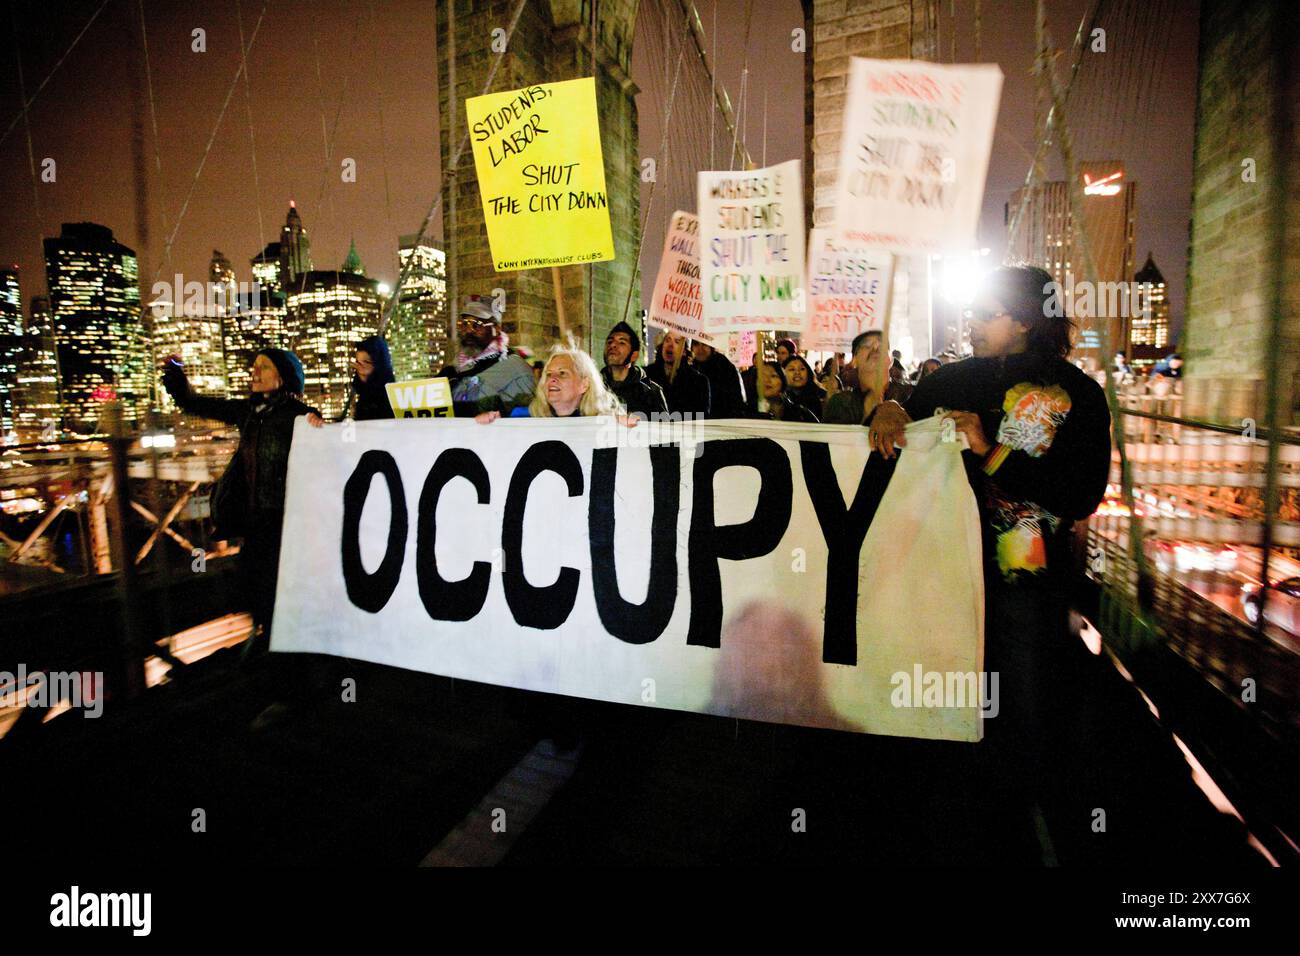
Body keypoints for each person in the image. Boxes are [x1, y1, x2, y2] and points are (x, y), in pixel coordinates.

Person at [868, 265, 1112, 834]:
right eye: (972, 311)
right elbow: (902, 421)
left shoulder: (1078, 395)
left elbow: (1081, 494)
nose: (971, 322)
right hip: (942, 573)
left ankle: (1017, 820)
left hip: (1025, 586)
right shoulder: (950, 380)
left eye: (987, 313)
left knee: (1020, 706)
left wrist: (990, 448)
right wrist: (889, 409)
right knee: (937, 694)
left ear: (1026, 320)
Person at [161, 348, 318, 652]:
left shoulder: (300, 417)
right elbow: (197, 404)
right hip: (255, 522)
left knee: (280, 596)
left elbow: (327, 453)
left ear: (282, 377)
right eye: (254, 367)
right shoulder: (247, 412)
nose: (254, 373)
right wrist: (178, 383)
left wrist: (320, 426)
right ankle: (276, 653)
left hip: (288, 525)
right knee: (257, 590)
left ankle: (291, 668)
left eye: (263, 367)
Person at [440, 295, 535, 416]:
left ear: (496, 328)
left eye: (477, 325)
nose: (468, 331)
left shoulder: (515, 368)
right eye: (464, 325)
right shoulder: (454, 368)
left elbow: (529, 415)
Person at [477, 346, 624, 421]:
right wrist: (489, 422)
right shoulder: (521, 414)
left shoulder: (606, 421)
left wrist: (628, 427)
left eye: (562, 373)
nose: (552, 379)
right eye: (548, 374)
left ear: (584, 385)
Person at [822, 330, 904, 424]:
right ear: (854, 360)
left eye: (882, 346)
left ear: (891, 360)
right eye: (867, 345)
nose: (875, 347)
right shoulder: (841, 404)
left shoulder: (908, 395)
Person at [599, 320, 668, 419]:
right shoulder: (594, 388)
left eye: (621, 343)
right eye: (610, 341)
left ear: (634, 355)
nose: (613, 345)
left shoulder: (650, 392)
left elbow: (663, 431)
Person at [647, 330, 711, 418]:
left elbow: (701, 417)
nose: (670, 344)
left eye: (677, 342)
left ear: (684, 352)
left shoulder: (698, 382)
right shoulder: (646, 375)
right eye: (667, 340)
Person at [690, 339, 747, 419]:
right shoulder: (691, 370)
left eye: (704, 344)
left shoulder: (724, 367)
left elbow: (735, 400)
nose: (700, 348)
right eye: (696, 344)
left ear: (711, 347)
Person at [748, 360, 819, 423]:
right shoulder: (747, 413)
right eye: (762, 376)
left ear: (783, 381)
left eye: (773, 376)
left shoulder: (800, 414)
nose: (767, 380)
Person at [347, 335, 396, 420]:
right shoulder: (363, 397)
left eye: (367, 362)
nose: (360, 368)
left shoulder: (394, 400)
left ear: (379, 364)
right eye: (358, 363)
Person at [781, 354, 826, 420]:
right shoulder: (781, 401)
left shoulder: (821, 397)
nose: (797, 372)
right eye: (792, 369)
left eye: (802, 369)